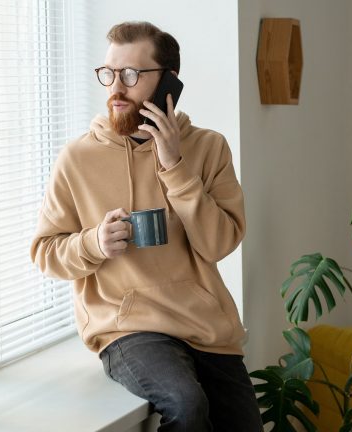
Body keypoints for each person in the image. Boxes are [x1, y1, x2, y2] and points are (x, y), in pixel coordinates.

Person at [30, 21, 262, 431]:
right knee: (186, 405)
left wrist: (174, 165)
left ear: (168, 81)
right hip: (128, 328)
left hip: (204, 325)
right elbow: (45, 252)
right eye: (109, 73)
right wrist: (94, 243)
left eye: (131, 74)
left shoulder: (208, 147)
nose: (116, 88)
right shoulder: (78, 158)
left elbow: (218, 244)